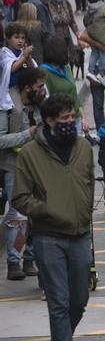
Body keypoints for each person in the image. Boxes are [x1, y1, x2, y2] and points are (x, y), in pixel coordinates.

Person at [11, 93, 93, 341]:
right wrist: (46, 210)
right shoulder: (31, 153)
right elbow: (20, 196)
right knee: (58, 301)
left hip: (81, 234)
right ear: (49, 121)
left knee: (79, 299)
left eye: (72, 117)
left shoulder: (83, 147)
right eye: (64, 119)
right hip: (49, 237)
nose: (70, 122)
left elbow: (87, 187)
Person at [2, 67, 44, 281]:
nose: (43, 90)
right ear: (28, 88)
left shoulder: (38, 106)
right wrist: (26, 135)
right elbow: (1, 140)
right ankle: (13, 261)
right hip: (14, 168)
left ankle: (30, 258)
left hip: (37, 167)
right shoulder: (9, 105)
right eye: (39, 87)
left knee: (36, 215)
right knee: (18, 216)